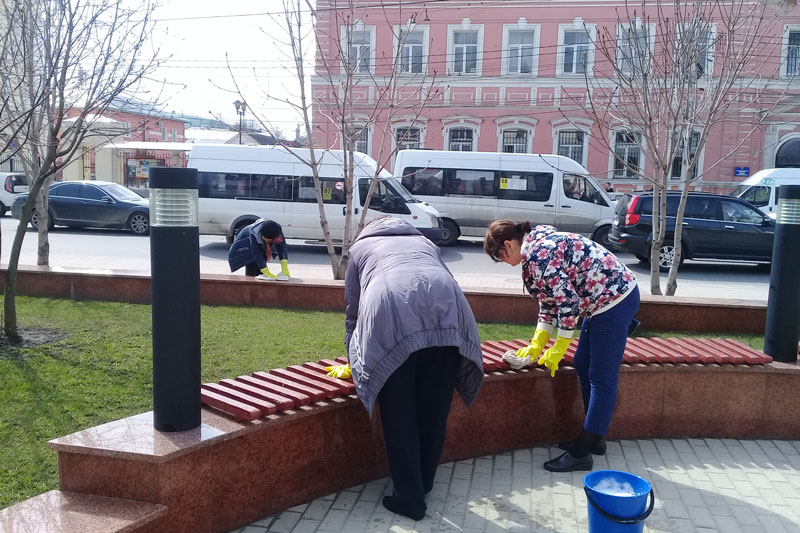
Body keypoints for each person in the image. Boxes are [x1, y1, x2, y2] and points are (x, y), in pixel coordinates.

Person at [327, 217, 484, 521]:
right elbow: (443, 277)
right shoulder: (425, 242)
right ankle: (424, 482)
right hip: (448, 315)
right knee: (434, 409)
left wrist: (353, 357)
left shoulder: (360, 249)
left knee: (399, 414)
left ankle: (409, 499)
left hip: (391, 317)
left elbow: (353, 312)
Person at [483, 221, 640, 473]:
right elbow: (549, 302)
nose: (502, 261)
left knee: (601, 377)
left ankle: (582, 452)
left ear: (509, 245)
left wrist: (560, 346)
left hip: (614, 300)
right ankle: (594, 437)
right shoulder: (536, 250)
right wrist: (537, 343)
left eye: (499, 256)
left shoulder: (538, 254)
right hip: (601, 300)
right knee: (582, 363)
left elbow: (568, 304)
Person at [227, 218, 291, 280]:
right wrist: (265, 271)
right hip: (244, 246)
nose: (268, 241)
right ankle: (250, 285)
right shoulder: (254, 233)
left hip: (259, 244)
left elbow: (282, 247)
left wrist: (284, 267)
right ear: (261, 234)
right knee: (252, 270)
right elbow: (257, 253)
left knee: (261, 271)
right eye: (266, 239)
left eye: (270, 240)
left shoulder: (276, 229)